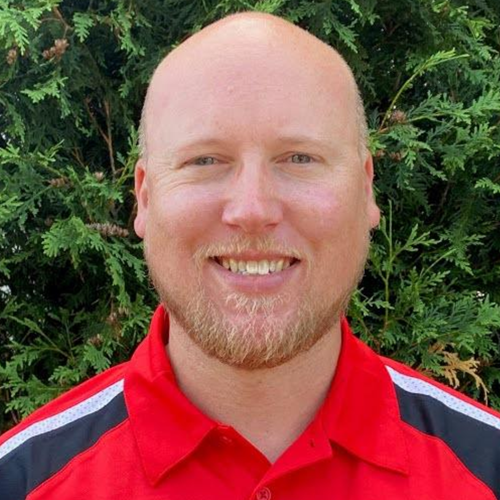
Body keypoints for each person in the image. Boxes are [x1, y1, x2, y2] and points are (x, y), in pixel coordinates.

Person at [1, 11, 499, 500]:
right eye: (205, 160)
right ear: (145, 198)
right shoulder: (21, 481)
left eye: (300, 158)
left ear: (366, 188)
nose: (253, 209)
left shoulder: (487, 468)